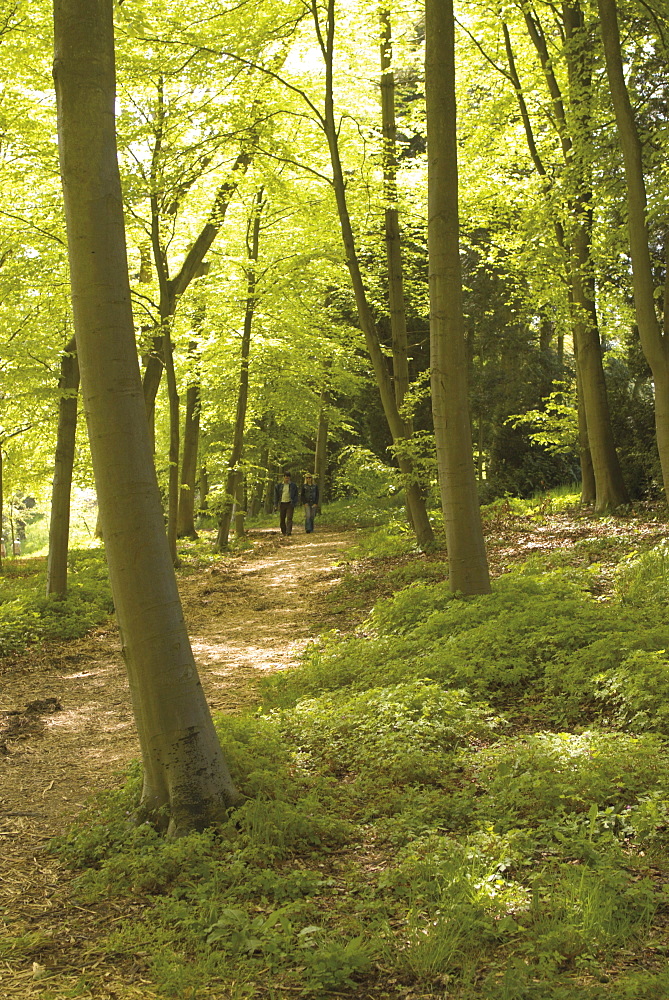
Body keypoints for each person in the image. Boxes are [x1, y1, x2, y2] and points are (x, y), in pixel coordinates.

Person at [274, 471, 299, 536]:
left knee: (289, 518)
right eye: (286, 478)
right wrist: (276, 504)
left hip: (290, 503)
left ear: (290, 478)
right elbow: (276, 496)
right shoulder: (278, 486)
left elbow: (296, 494)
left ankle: (288, 532)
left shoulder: (293, 485)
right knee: (282, 518)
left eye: (288, 478)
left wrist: (295, 502)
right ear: (283, 477)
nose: (287, 479)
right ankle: (284, 531)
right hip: (282, 503)